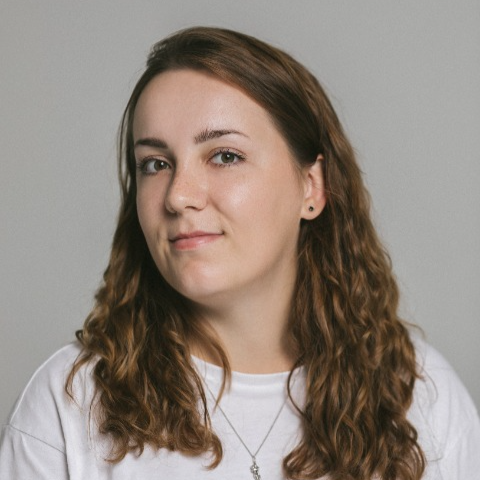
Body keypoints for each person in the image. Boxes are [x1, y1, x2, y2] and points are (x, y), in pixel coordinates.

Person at [1, 26, 479, 480]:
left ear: (311, 186)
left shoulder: (422, 394)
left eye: (225, 156)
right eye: (155, 164)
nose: (178, 196)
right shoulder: (70, 403)